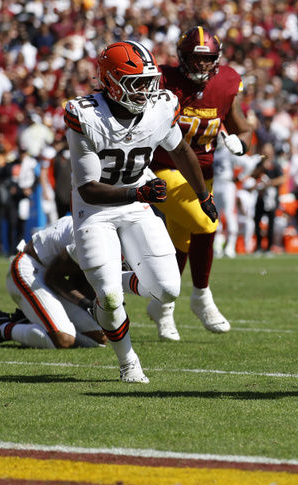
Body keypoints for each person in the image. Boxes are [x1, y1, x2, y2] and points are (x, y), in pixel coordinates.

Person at [65, 40, 216, 382]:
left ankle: (100, 279)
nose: (145, 91)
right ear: (112, 81)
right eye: (136, 83)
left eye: (149, 82)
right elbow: (88, 188)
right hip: (96, 208)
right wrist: (139, 192)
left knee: (167, 290)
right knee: (110, 297)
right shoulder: (86, 115)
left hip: (137, 200)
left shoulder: (160, 108)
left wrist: (203, 195)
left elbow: (180, 150)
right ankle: (128, 361)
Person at [148, 26, 252, 340]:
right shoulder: (164, 80)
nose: (203, 65)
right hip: (164, 170)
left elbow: (242, 127)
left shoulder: (227, 82)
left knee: (183, 243)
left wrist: (241, 144)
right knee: (207, 224)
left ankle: (162, 308)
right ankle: (201, 298)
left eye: (208, 59)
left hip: (202, 174)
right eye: (197, 58)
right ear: (183, 58)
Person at [0, 215, 107, 349]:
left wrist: (99, 303)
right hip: (29, 269)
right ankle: (2, 328)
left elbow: (79, 279)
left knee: (98, 338)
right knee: (64, 338)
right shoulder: (88, 237)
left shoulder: (102, 232)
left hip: (50, 276)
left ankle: (27, 320)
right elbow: (53, 278)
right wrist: (88, 304)